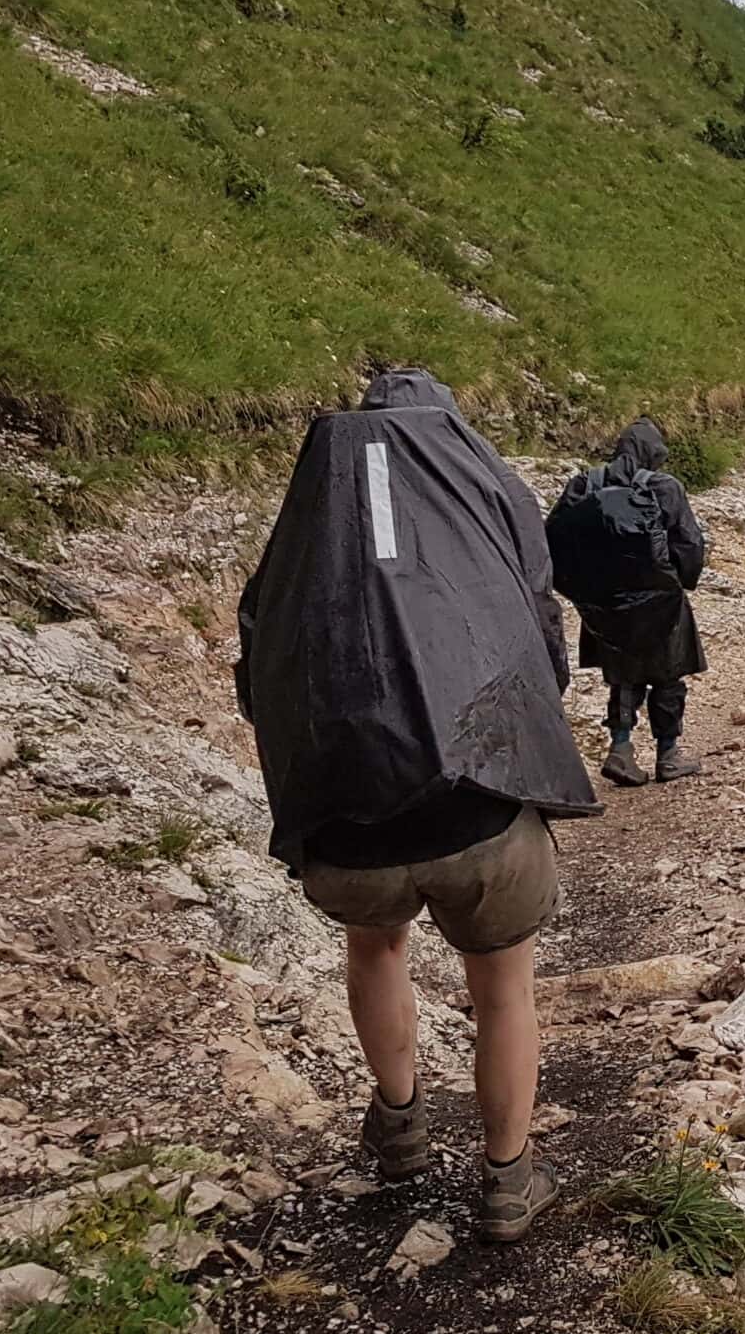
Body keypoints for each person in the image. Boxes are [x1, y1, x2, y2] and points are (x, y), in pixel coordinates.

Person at [235, 369, 599, 1245]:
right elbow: (540, 632)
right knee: (503, 986)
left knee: (375, 945)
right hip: (478, 815)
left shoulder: (317, 515)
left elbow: (259, 659)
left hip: (345, 823)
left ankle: (399, 1129)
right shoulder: (478, 490)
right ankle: (508, 1179)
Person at [544, 419, 709, 788]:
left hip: (605, 604)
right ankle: (668, 755)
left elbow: (553, 538)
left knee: (621, 675)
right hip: (660, 600)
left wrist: (583, 592)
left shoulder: (584, 484)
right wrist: (678, 581)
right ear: (653, 453)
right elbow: (689, 544)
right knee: (668, 676)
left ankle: (620, 749)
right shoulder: (665, 487)